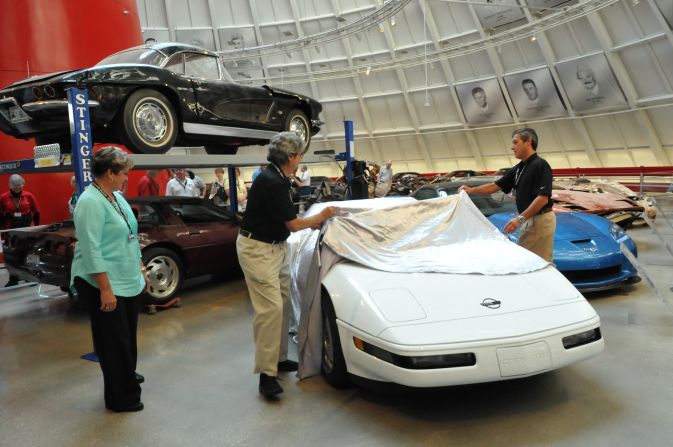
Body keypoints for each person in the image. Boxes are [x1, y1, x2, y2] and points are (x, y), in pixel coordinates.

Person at [236, 132, 336, 398]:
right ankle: (266, 375)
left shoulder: (279, 177)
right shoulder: (272, 181)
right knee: (269, 310)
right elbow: (293, 225)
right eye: (300, 154)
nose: (300, 158)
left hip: (275, 247)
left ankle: (279, 359)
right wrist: (321, 216)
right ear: (291, 157)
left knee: (281, 305)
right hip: (258, 249)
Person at [70, 146, 149, 412]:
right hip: (100, 280)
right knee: (113, 342)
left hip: (125, 276)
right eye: (124, 173)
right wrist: (105, 289)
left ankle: (126, 373)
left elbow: (131, 233)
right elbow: (91, 249)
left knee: (126, 335)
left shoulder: (115, 196)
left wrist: (140, 270)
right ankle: (120, 397)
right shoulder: (90, 202)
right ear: (110, 173)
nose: (127, 178)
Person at [459, 127, 555, 262]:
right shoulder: (519, 168)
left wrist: (519, 219)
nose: (512, 147)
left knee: (536, 262)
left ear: (528, 142)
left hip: (540, 219)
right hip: (530, 219)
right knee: (529, 261)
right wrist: (471, 190)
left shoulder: (540, 165)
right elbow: (495, 186)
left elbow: (543, 198)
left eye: (515, 142)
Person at [1, 174, 41, 287]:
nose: (18, 187)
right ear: (10, 185)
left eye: (20, 185)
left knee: (29, 253)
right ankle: (13, 279)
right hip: (10, 230)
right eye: (15, 186)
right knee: (11, 255)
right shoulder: (3, 197)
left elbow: (37, 211)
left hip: (27, 229)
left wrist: (36, 228)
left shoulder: (29, 195)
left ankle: (31, 277)